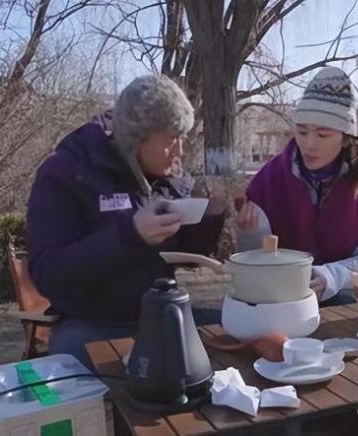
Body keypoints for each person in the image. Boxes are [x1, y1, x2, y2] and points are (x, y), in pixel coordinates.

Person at [26, 75, 225, 368]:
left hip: (161, 311)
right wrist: (130, 234)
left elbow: (188, 256)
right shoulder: (67, 172)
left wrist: (212, 216)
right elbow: (49, 273)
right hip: (89, 323)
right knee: (79, 365)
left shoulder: (166, 173)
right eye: (171, 140)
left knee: (239, 329)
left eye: (182, 139)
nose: (180, 152)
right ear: (137, 139)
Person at [236, 66, 358, 306]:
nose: (309, 145)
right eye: (302, 131)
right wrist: (250, 234)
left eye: (323, 135)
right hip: (282, 301)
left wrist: (333, 277)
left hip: (347, 305)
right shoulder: (268, 181)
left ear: (345, 138)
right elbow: (255, 261)